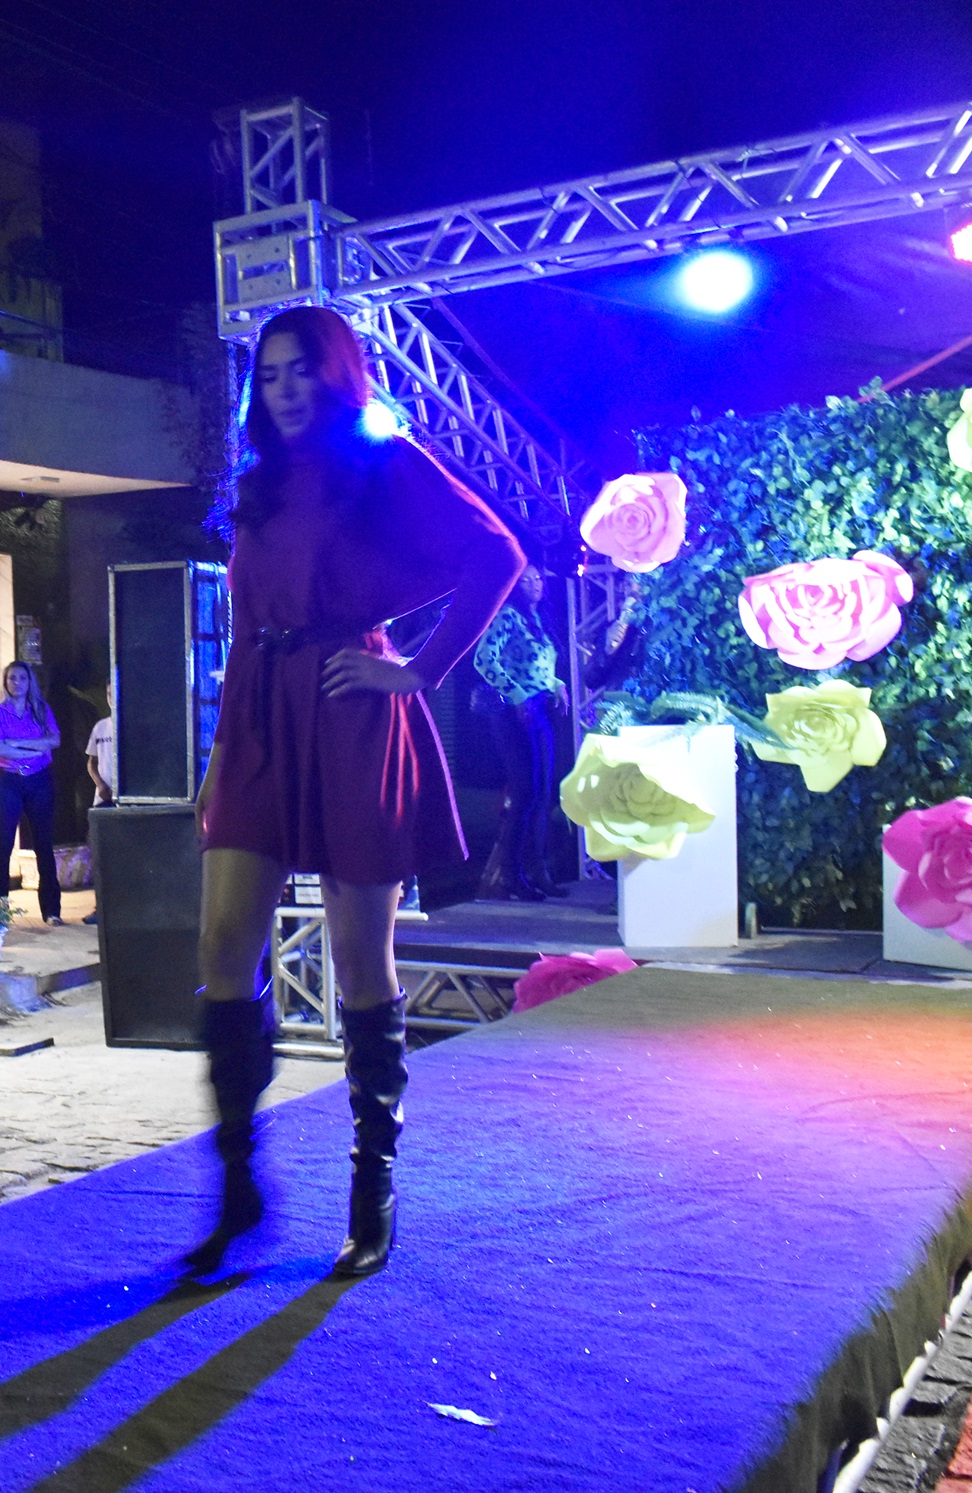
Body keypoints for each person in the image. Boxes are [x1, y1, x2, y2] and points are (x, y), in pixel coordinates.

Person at [188, 305, 522, 1280]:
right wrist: (218, 759)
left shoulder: (383, 465)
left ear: (335, 374)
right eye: (269, 375)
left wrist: (415, 670)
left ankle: (372, 1187)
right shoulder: (256, 489)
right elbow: (247, 629)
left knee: (359, 962)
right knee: (222, 949)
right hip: (260, 718)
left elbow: (496, 555)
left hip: (350, 710)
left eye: (301, 370)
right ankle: (239, 1184)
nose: (284, 390)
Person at [472, 567, 566, 901]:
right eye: (526, 580)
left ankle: (537, 869)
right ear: (515, 585)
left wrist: (557, 683)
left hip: (539, 707)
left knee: (542, 793)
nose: (534, 585)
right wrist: (516, 694)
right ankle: (511, 874)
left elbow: (537, 665)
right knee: (526, 793)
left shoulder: (537, 619)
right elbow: (483, 659)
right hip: (515, 712)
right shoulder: (508, 617)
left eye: (538, 579)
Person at [0, 661, 64, 926]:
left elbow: (54, 741)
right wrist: (34, 749)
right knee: (4, 844)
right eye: (12, 678)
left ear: (30, 682)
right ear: (5, 682)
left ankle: (51, 911)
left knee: (43, 843)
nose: (17, 682)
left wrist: (17, 744)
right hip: (7, 781)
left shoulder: (41, 709)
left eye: (22, 678)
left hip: (39, 781)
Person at [82, 688, 117, 924]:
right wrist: (100, 785)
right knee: (99, 854)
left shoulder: (133, 724)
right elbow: (91, 762)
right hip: (103, 799)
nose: (111, 697)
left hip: (128, 800)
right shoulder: (101, 727)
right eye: (108, 693)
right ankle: (100, 908)